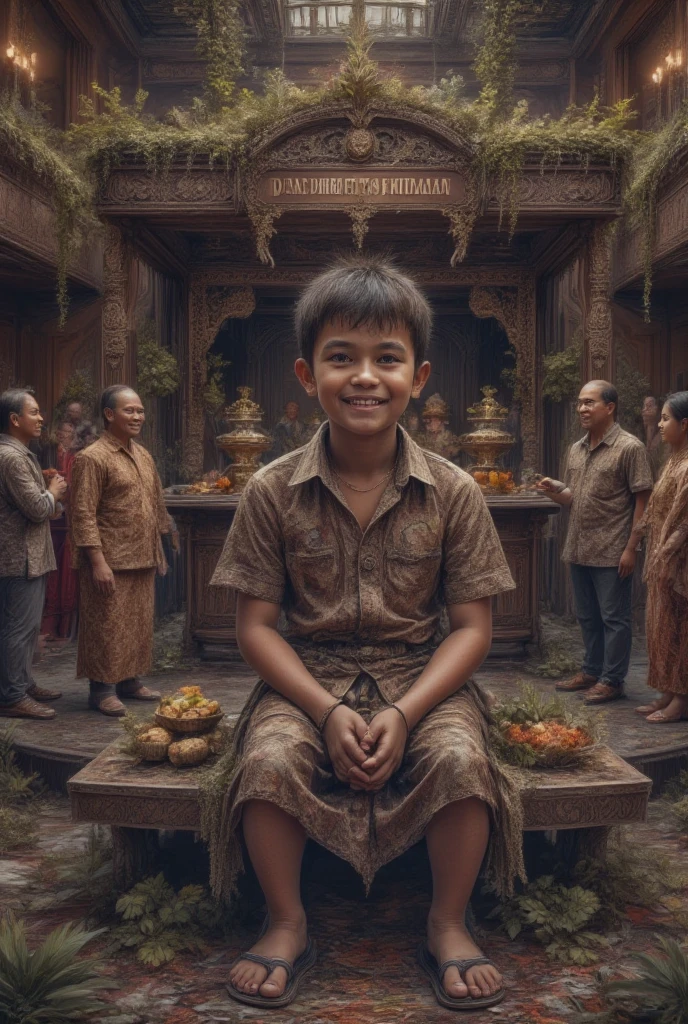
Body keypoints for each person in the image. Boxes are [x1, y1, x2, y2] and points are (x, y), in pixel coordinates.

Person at [210, 255, 522, 1011]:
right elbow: (255, 626)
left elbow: (473, 627)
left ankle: (447, 921)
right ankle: (286, 920)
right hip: (306, 674)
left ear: (417, 377)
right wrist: (322, 709)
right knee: (270, 756)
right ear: (305, 372)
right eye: (340, 357)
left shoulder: (452, 490)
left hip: (422, 674)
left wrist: (405, 711)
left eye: (387, 359)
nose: (364, 377)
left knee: (457, 756)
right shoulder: (270, 488)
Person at [537, 380, 653, 705]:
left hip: (613, 550)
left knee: (614, 619)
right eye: (580, 403)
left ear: (610, 407)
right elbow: (573, 497)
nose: (582, 409)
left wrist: (632, 547)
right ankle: (591, 671)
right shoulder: (576, 448)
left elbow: (643, 499)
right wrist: (552, 489)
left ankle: (612, 680)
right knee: (587, 616)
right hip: (578, 546)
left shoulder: (630, 448)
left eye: (589, 403)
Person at [69, 385, 169, 717]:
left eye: (140, 410)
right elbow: (82, 512)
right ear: (110, 415)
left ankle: (129, 681)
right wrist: (96, 561)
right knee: (108, 626)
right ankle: (102, 689)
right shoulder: (91, 457)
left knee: (138, 624)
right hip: (109, 558)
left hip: (142, 555)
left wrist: (160, 551)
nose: (138, 416)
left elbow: (155, 504)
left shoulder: (143, 455)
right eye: (130, 410)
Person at [0, 389, 67, 719]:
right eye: (35, 412)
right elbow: (38, 509)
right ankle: (12, 696)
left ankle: (22, 684)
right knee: (18, 629)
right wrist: (53, 492)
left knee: (24, 628)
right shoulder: (11, 457)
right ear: (15, 420)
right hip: (18, 558)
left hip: (26, 556)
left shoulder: (19, 454)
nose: (41, 419)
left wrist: (43, 487)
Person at [629, 392, 688, 722]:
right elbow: (655, 508)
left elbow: (683, 524)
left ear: (685, 424)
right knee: (662, 628)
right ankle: (668, 691)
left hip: (680, 564)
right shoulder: (674, 459)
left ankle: (681, 700)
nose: (661, 424)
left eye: (666, 419)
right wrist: (640, 540)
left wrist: (663, 556)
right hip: (662, 559)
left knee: (681, 629)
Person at [41, 420, 79, 642]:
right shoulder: (48, 449)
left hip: (64, 517)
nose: (66, 435)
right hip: (52, 517)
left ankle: (62, 626)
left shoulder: (73, 456)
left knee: (63, 568)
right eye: (63, 432)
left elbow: (70, 483)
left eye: (70, 432)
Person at [641, 394, 665, 481]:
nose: (645, 410)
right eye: (644, 406)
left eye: (649, 406)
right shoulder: (642, 430)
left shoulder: (663, 434)